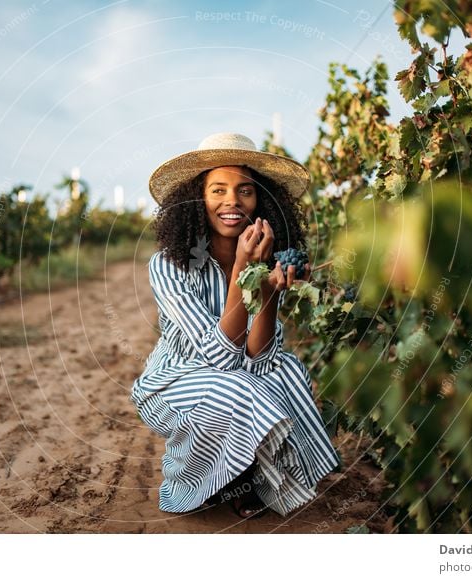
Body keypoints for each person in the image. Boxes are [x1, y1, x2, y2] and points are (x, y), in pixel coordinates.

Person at [130, 132, 341, 519]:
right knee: (233, 386)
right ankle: (193, 480)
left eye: (245, 190)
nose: (232, 201)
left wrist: (270, 289)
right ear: (198, 199)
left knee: (284, 372)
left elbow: (260, 357)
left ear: (260, 199)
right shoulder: (169, 265)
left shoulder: (267, 259)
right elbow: (219, 356)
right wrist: (243, 270)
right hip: (173, 384)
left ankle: (248, 474)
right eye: (218, 190)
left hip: (236, 376)